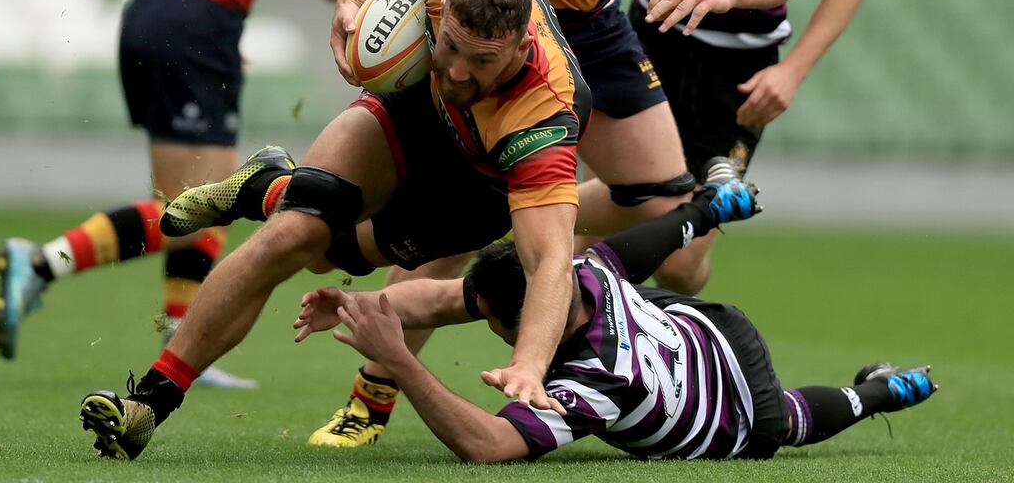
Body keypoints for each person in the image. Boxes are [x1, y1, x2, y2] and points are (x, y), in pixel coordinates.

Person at [77, 0, 594, 460]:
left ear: (519, 48)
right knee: (293, 236)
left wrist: (530, 367)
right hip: (415, 111)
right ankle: (148, 405)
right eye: (451, 47)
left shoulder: (544, 122)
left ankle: (267, 185)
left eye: (482, 61)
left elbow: (549, 263)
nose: (460, 72)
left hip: (471, 188)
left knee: (330, 256)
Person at [311, 0, 820, 448]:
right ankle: (371, 399)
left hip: (587, 28)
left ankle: (520, 218)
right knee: (461, 229)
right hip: (488, 34)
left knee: (681, 251)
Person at [293, 162, 937, 463]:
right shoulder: (575, 275)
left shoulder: (600, 378)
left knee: (783, 423)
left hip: (726, 394)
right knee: (624, 255)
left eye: (490, 322)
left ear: (527, 324)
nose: (476, 322)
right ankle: (718, 204)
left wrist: (401, 363)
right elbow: (436, 297)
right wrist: (355, 304)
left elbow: (488, 446)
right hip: (692, 322)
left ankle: (879, 392)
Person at [0, 0, 357, 388]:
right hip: (197, 19)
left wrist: (194, 20)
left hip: (152, 9)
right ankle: (41, 263)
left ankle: (177, 333)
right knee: (218, 197)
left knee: (192, 197)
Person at [630, 0, 867, 197]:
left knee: (699, 216)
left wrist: (792, 72)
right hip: (650, 41)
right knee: (624, 196)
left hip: (742, 66)